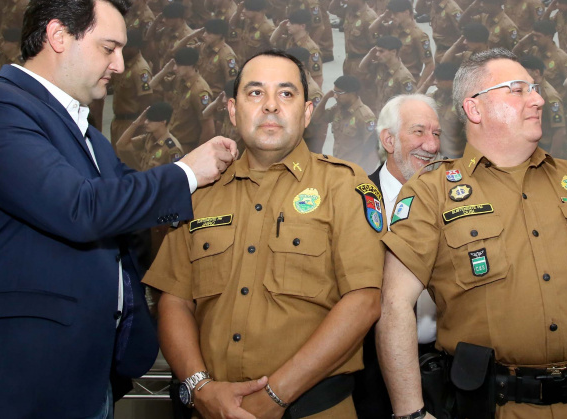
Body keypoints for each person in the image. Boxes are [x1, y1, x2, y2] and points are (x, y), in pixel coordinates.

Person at [0, 0, 240, 418]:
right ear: (58, 36)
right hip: (13, 381)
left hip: (85, 378)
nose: (118, 65)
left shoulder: (89, 137)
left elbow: (134, 205)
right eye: (108, 48)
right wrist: (187, 170)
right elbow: (80, 208)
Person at [378, 48, 567, 419]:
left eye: (536, 89)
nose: (538, 99)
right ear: (474, 109)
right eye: (518, 89)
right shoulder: (433, 191)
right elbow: (394, 304)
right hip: (495, 408)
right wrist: (410, 413)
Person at [144, 50, 385, 418]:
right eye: (255, 93)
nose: (271, 105)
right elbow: (174, 301)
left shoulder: (345, 184)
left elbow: (363, 300)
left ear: (307, 112)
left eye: (286, 94)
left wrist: (274, 396)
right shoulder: (199, 192)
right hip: (211, 409)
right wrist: (201, 389)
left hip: (314, 408)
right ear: (231, 110)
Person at [354, 94, 442, 419]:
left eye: (436, 134)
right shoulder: (354, 201)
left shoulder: (458, 198)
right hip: (373, 371)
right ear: (388, 140)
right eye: (419, 132)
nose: (431, 146)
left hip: (451, 367)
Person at [312, 75, 378, 174]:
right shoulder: (338, 109)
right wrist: (325, 98)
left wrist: (365, 175)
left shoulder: (365, 116)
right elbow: (316, 119)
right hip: (339, 167)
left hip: (354, 171)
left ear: (352, 93)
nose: (335, 96)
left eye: (339, 93)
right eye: (334, 92)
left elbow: (373, 150)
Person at [116, 101, 185, 171]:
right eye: (146, 119)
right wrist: (135, 124)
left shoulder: (172, 149)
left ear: (163, 122)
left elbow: (176, 176)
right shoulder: (149, 138)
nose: (146, 122)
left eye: (151, 120)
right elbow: (121, 145)